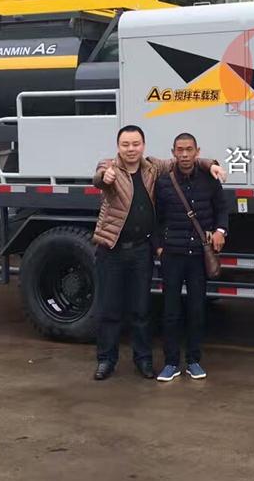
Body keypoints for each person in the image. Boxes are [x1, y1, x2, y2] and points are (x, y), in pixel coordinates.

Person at [91, 125, 223, 381]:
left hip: (142, 249)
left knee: (141, 310)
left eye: (136, 144)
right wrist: (103, 177)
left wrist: (211, 165)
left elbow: (185, 159)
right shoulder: (109, 167)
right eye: (125, 144)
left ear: (143, 145)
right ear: (118, 147)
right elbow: (99, 177)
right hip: (112, 249)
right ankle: (106, 360)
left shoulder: (152, 167)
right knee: (110, 309)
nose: (131, 149)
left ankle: (143, 360)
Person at [153, 132, 228, 382]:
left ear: (197, 152)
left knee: (197, 309)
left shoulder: (209, 178)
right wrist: (159, 247)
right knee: (171, 311)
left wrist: (220, 231)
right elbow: (156, 218)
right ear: (173, 153)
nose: (184, 154)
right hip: (172, 255)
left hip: (198, 256)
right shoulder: (164, 181)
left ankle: (194, 360)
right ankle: (171, 363)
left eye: (189, 149)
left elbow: (222, 208)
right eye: (180, 150)